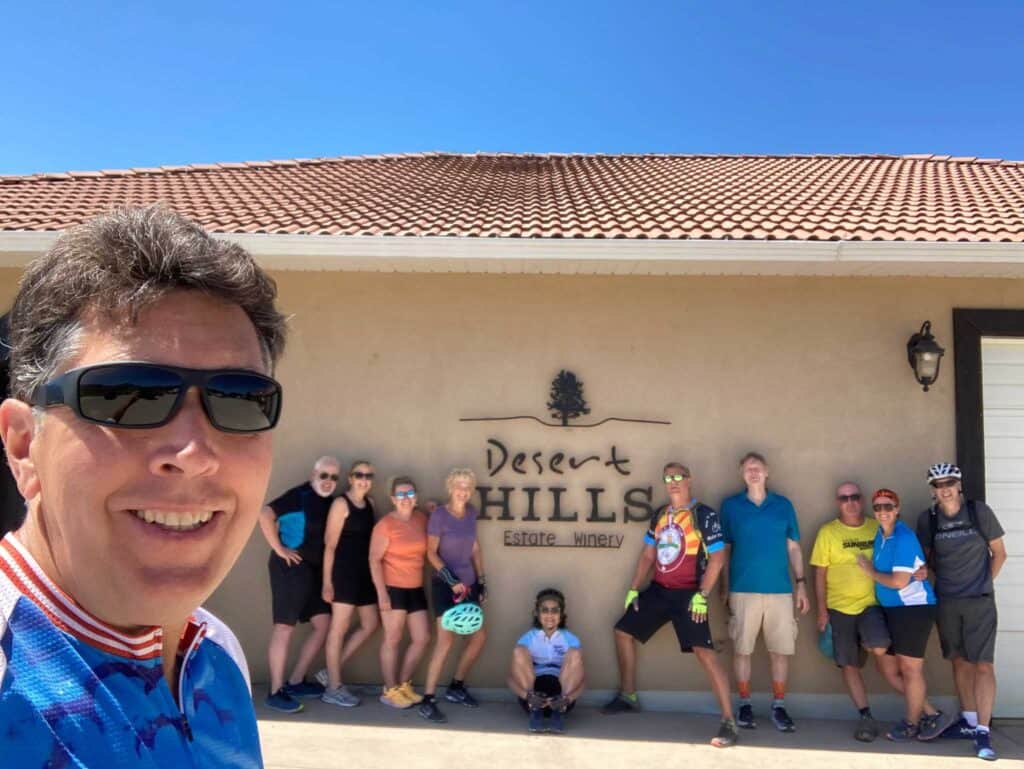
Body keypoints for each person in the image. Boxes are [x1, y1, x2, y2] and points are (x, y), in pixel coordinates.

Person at [0, 204, 286, 767]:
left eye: (240, 400)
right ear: (22, 445)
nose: (194, 454)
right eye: (126, 395)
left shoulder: (218, 652)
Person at [602, 462, 738, 748]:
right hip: (660, 591)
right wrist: (633, 588)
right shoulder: (661, 515)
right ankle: (629, 696)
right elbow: (648, 556)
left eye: (678, 477)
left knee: (705, 654)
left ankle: (729, 721)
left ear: (689, 480)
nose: (673, 482)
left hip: (690, 595)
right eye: (668, 478)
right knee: (622, 632)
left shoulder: (704, 515)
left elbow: (717, 558)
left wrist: (703, 594)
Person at [811, 481, 953, 742]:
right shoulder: (867, 533)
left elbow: (902, 574)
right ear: (837, 502)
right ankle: (900, 714)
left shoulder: (890, 531)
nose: (850, 501)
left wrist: (911, 572)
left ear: (896, 509)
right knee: (867, 667)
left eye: (855, 496)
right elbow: (820, 572)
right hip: (857, 609)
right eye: (844, 498)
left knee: (896, 662)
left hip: (891, 609)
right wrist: (822, 611)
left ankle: (918, 718)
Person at [916, 463, 1006, 761]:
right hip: (947, 601)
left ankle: (983, 729)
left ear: (959, 484)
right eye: (939, 484)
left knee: (982, 664)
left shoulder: (979, 512)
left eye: (950, 482)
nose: (945, 488)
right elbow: (924, 562)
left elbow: (1000, 552)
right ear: (933, 490)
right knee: (958, 661)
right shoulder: (928, 520)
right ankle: (969, 722)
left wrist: (982, 583)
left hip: (978, 601)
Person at [720, 451, 808, 732]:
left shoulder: (783, 505)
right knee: (742, 649)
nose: (753, 472)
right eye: (748, 468)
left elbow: (793, 546)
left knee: (780, 651)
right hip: (742, 589)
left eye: (758, 468)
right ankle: (744, 703)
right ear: (741, 473)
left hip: (781, 590)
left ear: (767, 472)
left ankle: (779, 706)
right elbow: (724, 549)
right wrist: (723, 586)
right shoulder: (731, 506)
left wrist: (801, 583)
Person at [856, 489, 951, 742]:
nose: (883, 511)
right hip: (891, 610)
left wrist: (869, 571)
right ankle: (931, 713)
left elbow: (898, 582)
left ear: (897, 509)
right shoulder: (880, 535)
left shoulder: (904, 537)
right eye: (877, 507)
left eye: (888, 506)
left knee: (910, 670)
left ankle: (911, 723)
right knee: (887, 669)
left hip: (913, 609)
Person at [257, 456, 337, 712]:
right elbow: (265, 514)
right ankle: (275, 691)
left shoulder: (331, 503)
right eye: (324, 475)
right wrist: (279, 549)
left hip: (314, 572)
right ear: (314, 474)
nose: (328, 481)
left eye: (334, 477)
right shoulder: (298, 496)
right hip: (290, 568)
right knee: (284, 628)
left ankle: (295, 681)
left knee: (323, 625)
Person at [418, 468, 488, 723]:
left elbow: (475, 549)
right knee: (444, 643)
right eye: (459, 485)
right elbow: (431, 553)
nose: (463, 491)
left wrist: (481, 581)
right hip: (444, 587)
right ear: (450, 487)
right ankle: (428, 699)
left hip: (468, 585)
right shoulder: (438, 515)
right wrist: (451, 580)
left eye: (468, 487)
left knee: (479, 637)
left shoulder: (470, 514)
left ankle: (456, 686)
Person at [319, 459, 381, 708]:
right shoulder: (340, 504)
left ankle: (329, 672)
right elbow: (330, 545)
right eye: (359, 475)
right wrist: (327, 582)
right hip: (342, 574)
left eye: (368, 475)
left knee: (370, 623)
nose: (364, 479)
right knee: (339, 628)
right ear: (350, 478)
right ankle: (333, 688)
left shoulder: (371, 504)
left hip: (364, 574)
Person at [369, 476, 431, 709]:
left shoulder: (421, 519)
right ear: (393, 499)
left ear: (415, 497)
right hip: (392, 589)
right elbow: (374, 560)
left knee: (422, 637)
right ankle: (389, 689)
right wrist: (382, 594)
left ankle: (403, 685)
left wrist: (432, 510)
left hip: (415, 588)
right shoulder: (385, 525)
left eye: (410, 494)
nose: (406, 499)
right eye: (401, 495)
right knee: (392, 639)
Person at [508, 588, 585, 734]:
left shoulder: (571, 639)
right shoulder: (528, 638)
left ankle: (559, 712)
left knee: (575, 652)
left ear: (561, 615)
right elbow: (510, 679)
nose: (550, 615)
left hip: (562, 698)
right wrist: (527, 696)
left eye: (555, 610)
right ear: (537, 613)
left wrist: (568, 699)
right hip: (532, 698)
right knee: (519, 650)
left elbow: (583, 681)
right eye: (545, 610)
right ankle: (534, 710)